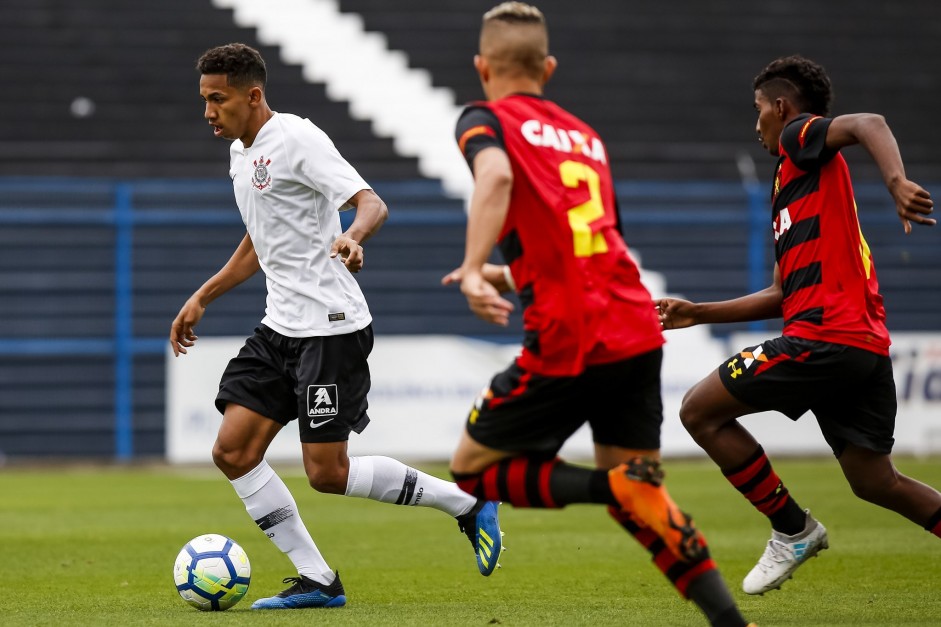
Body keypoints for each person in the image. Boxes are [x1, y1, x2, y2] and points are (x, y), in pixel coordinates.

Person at [442, 5, 751, 627]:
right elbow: (590, 240)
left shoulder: (485, 119)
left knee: (472, 470)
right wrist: (510, 272)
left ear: (482, 68)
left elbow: (496, 176)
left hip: (570, 336)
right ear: (548, 68)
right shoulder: (587, 136)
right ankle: (729, 621)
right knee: (644, 495)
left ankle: (610, 488)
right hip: (634, 327)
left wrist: (475, 267)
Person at [170, 42, 501, 611]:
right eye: (204, 100)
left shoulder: (298, 137)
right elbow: (260, 239)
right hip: (279, 329)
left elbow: (370, 203)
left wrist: (353, 235)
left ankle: (467, 505)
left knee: (326, 473)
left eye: (217, 99)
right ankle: (318, 580)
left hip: (330, 329)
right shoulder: (239, 154)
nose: (208, 112)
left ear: (253, 96)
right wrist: (203, 296)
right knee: (232, 451)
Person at [657, 54, 940, 596]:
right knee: (875, 481)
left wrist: (897, 181)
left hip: (824, 340)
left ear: (781, 108)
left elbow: (869, 123)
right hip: (860, 349)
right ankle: (794, 528)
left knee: (698, 411)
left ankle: (792, 528)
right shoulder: (796, 185)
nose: (756, 122)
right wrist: (699, 313)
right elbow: (782, 293)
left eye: (758, 110)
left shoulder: (795, 138)